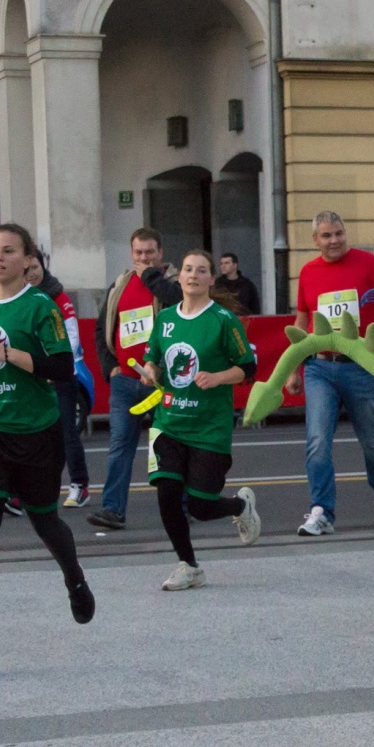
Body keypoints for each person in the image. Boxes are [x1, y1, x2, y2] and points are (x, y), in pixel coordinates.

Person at [0, 224, 96, 670]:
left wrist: (9, 356)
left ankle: (75, 579)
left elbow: (62, 368)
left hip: (37, 434)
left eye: (9, 251)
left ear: (27, 259)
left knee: (45, 521)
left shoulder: (39, 308)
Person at [140, 250, 261, 590]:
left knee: (201, 505)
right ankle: (188, 565)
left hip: (209, 426)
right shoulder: (165, 319)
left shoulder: (223, 320)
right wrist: (150, 370)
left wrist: (218, 377)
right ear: (179, 277)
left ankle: (240, 504)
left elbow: (247, 368)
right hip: (169, 421)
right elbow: (153, 357)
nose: (193, 275)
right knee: (166, 491)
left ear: (211, 279)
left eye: (201, 271)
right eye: (188, 269)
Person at [286, 211, 374, 535]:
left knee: (373, 442)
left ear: (345, 234)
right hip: (320, 367)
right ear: (315, 240)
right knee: (317, 440)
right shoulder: (308, 272)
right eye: (326, 235)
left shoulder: (367, 263)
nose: (334, 240)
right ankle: (321, 510)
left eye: (338, 234)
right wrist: (295, 368)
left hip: (361, 364)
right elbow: (302, 321)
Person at [88, 228, 182, 530]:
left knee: (170, 445)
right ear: (131, 253)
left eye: (150, 252)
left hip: (160, 382)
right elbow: (102, 329)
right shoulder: (120, 284)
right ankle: (113, 509)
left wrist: (151, 276)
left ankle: (183, 505)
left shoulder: (173, 282)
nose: (144, 258)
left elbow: (177, 303)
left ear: (160, 253)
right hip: (125, 382)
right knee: (119, 445)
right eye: (139, 253)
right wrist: (110, 368)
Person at [22, 252, 90, 509]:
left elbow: (71, 338)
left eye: (36, 267)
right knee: (27, 434)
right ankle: (22, 491)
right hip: (31, 378)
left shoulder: (58, 297)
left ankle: (79, 485)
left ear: (43, 266)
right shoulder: (22, 299)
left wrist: (53, 364)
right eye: (27, 270)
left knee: (66, 433)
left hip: (60, 377)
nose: (32, 274)